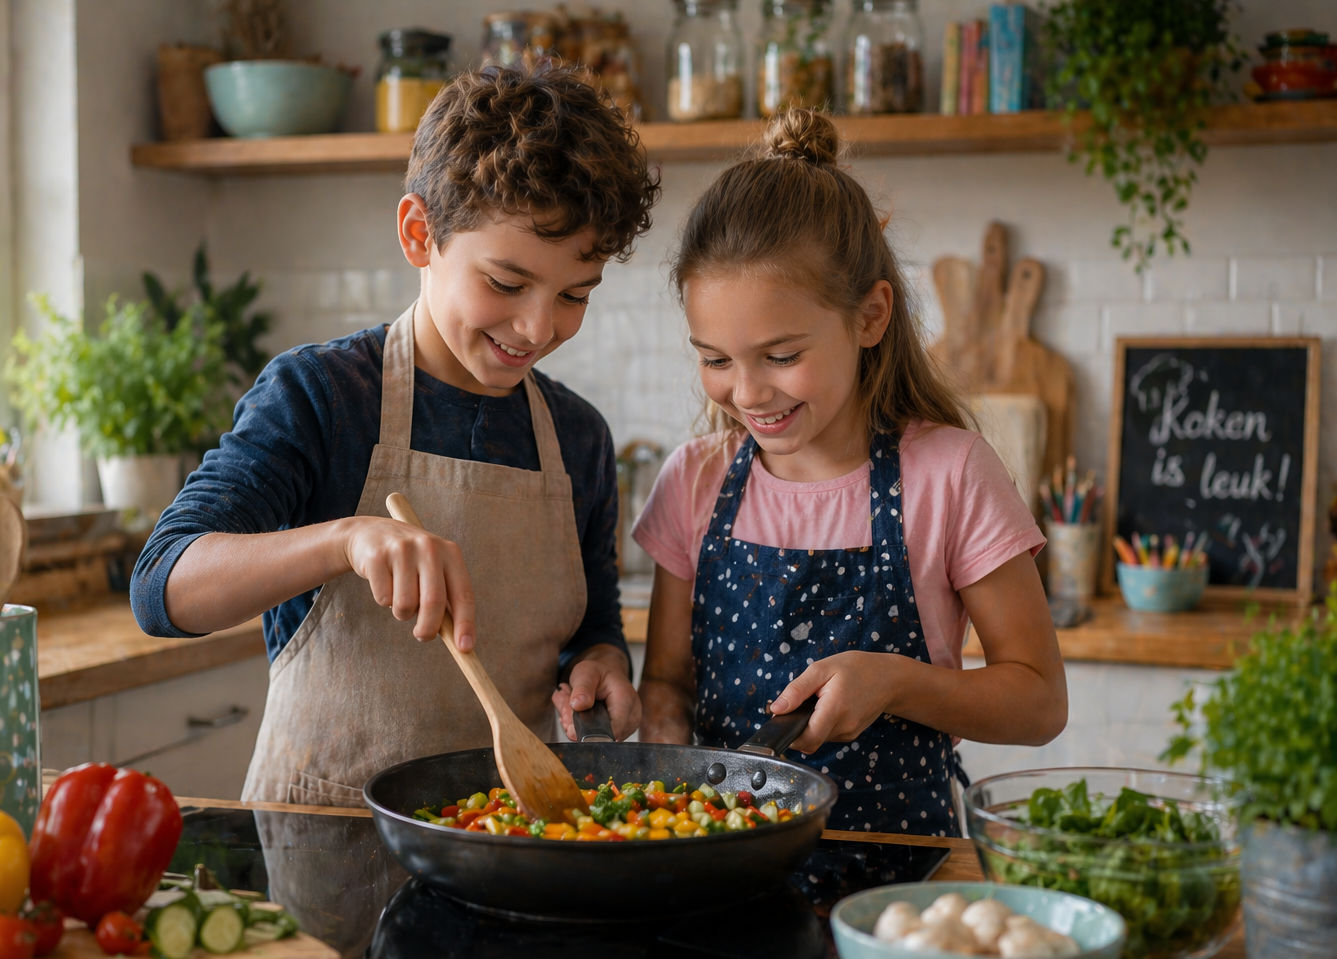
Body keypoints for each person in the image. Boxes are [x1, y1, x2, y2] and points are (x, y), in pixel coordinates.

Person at [132, 64, 660, 812]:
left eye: (574, 294)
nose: (539, 328)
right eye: (506, 284)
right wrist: (345, 541)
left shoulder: (577, 437)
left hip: (510, 852)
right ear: (420, 234)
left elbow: (593, 627)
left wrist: (603, 663)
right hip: (325, 853)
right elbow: (160, 588)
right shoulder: (320, 396)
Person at [632, 108, 1066, 837]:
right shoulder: (694, 480)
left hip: (894, 877)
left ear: (870, 317)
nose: (747, 394)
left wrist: (895, 681)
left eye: (780, 356)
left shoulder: (949, 474)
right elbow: (670, 684)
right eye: (715, 360)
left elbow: (1039, 702)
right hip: (717, 872)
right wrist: (658, 783)